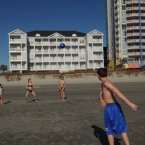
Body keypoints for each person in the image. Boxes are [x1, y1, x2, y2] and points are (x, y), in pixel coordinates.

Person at [97, 68, 138, 145]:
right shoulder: (104, 82)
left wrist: (130, 103)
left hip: (113, 108)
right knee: (110, 130)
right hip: (109, 108)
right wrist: (101, 98)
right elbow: (105, 92)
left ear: (98, 76)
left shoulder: (106, 83)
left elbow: (117, 92)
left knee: (119, 129)